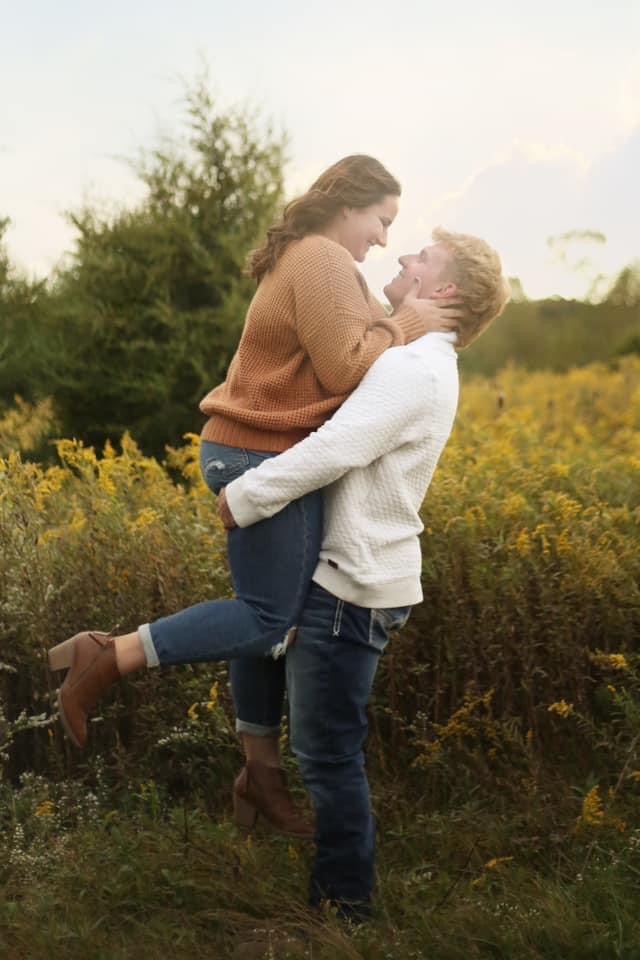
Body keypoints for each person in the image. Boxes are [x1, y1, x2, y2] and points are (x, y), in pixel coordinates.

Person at [48, 156, 460, 839]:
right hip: (262, 452)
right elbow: (347, 367)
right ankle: (108, 655)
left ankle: (260, 774)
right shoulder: (325, 259)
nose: (386, 239)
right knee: (269, 620)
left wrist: (396, 321)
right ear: (349, 206)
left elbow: (349, 357)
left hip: (250, 447)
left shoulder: (317, 257)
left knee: (269, 616)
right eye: (383, 221)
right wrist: (412, 324)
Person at [217, 228, 510, 919]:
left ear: (444, 292)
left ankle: (344, 910)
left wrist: (249, 496)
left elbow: (340, 446)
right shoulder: (414, 358)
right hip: (352, 578)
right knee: (272, 668)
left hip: (353, 589)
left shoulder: (415, 370)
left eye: (423, 259)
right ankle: (270, 809)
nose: (404, 257)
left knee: (326, 758)